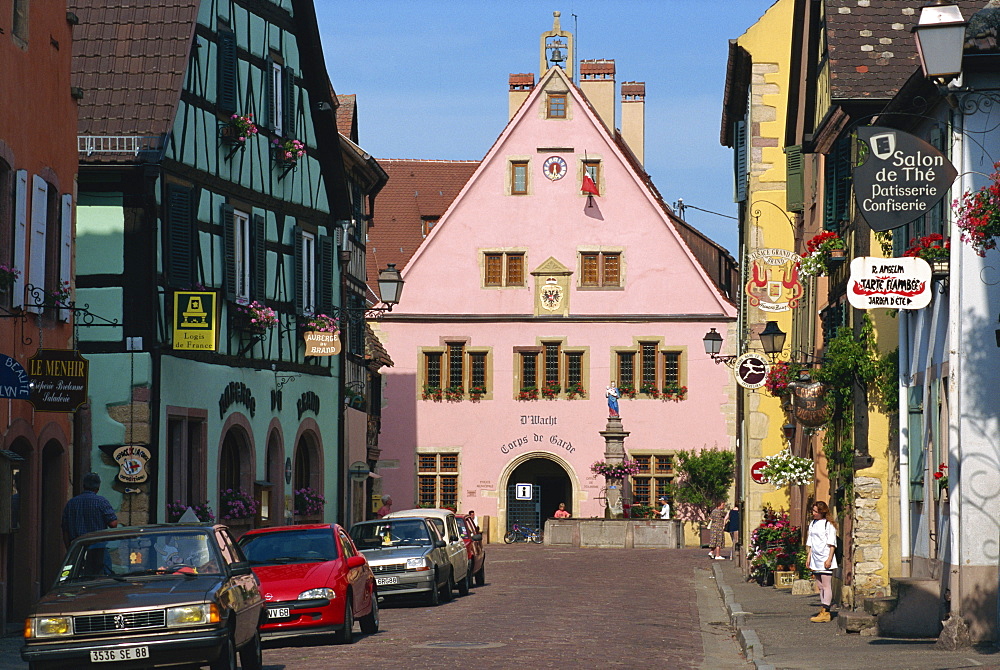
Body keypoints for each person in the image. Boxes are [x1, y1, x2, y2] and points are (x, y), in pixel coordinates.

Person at [62, 472, 118, 546]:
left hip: (78, 547)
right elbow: (113, 524)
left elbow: (65, 529)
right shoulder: (101, 502)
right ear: (98, 488)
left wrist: (70, 549)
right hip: (97, 546)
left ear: (84, 486)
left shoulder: (71, 503)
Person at [808, 501, 838, 622]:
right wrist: (808, 557)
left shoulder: (828, 524)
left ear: (822, 512)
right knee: (820, 586)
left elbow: (832, 543)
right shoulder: (813, 523)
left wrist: (829, 558)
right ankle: (823, 608)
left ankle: (826, 611)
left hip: (825, 557)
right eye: (813, 511)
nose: (813, 513)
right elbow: (810, 541)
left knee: (826, 585)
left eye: (816, 511)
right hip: (815, 557)